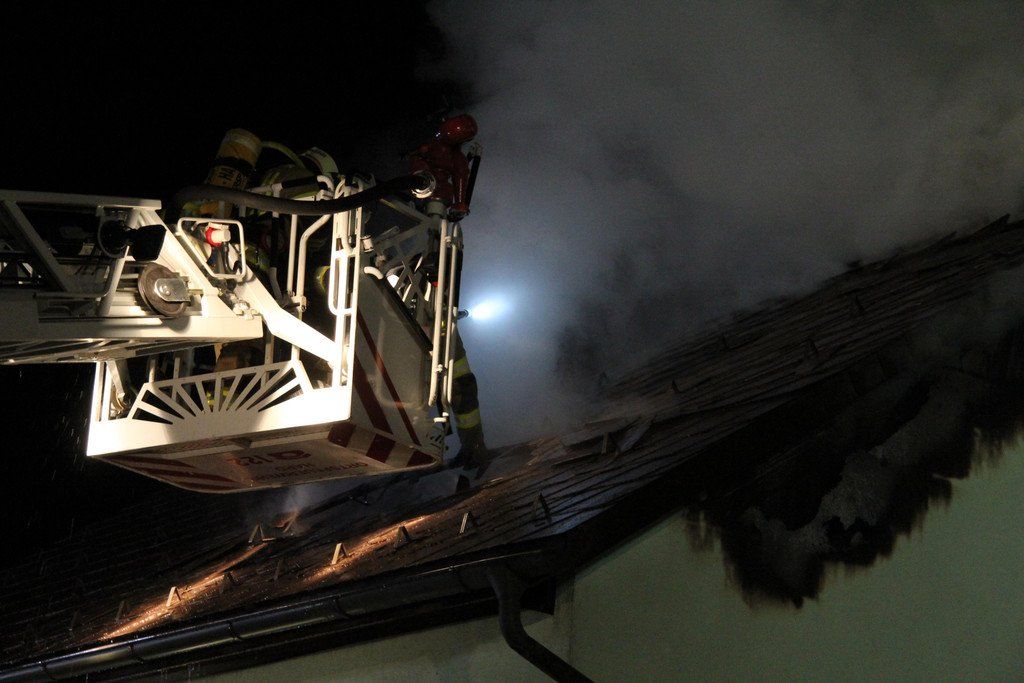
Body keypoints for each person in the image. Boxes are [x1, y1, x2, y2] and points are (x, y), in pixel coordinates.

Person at [410, 114, 489, 472]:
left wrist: (459, 201)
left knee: (460, 388)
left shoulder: (445, 243)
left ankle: (471, 450)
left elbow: (458, 177)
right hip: (426, 327)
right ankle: (450, 452)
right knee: (447, 388)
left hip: (439, 329)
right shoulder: (431, 154)